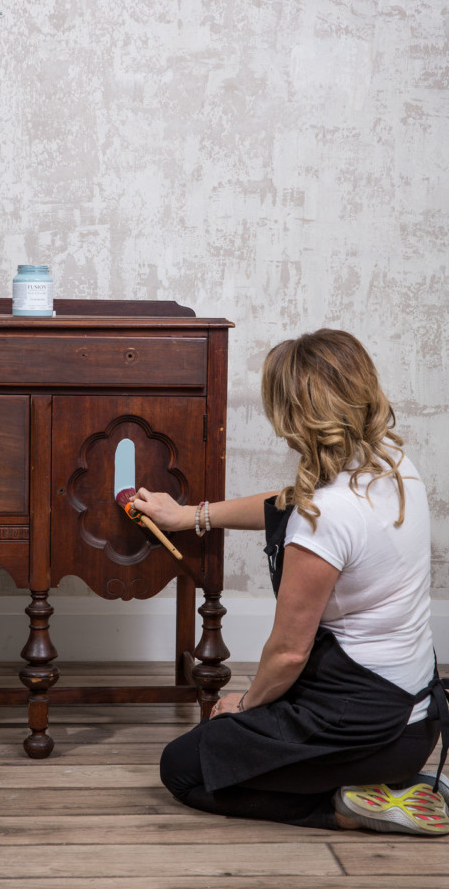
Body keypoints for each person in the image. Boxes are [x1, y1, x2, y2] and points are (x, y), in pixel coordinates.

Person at [131, 329, 449, 835]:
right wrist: (193, 515)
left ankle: (346, 808)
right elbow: (285, 504)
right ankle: (388, 783)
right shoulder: (390, 462)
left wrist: (245, 702)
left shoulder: (323, 518)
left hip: (362, 726)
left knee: (185, 767)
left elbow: (288, 654)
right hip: (417, 720)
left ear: (292, 415)